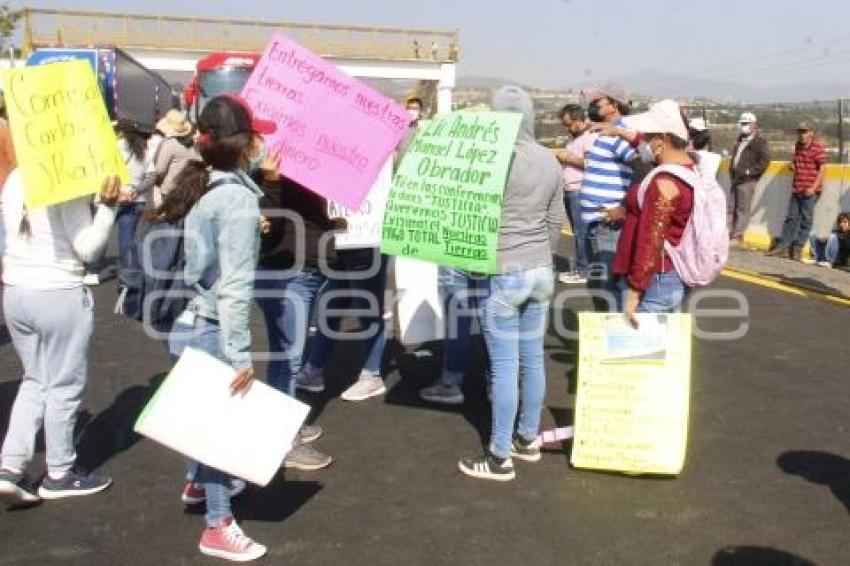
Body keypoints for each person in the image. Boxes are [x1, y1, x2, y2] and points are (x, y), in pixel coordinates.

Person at [163, 95, 274, 561]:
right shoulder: (237, 200)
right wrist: (241, 357)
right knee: (218, 431)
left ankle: (197, 485)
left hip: (188, 323)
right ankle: (217, 523)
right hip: (209, 328)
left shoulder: (210, 185)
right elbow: (234, 289)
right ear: (246, 143)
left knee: (202, 425)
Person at [458, 86, 563, 481]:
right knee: (532, 360)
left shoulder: (494, 160)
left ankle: (499, 456)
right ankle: (526, 438)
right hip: (541, 269)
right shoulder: (550, 160)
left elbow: (476, 220)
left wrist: (476, 267)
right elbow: (556, 222)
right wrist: (543, 255)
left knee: (504, 367)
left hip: (505, 271)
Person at [0, 171, 120, 507]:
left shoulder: (14, 179)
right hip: (56, 291)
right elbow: (88, 248)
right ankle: (60, 472)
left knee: (35, 380)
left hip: (16, 290)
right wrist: (107, 208)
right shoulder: (63, 186)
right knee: (64, 386)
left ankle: (10, 465)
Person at [254, 171, 342, 471]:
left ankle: (284, 422)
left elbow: (298, 219)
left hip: (303, 272)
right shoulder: (271, 176)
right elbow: (269, 223)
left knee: (286, 357)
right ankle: (283, 439)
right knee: (287, 359)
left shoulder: (305, 172)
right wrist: (272, 181)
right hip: (290, 274)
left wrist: (329, 225)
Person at [610, 100, 695, 319]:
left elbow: (651, 240)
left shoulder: (664, 183)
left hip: (655, 282)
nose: (644, 141)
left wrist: (635, 292)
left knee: (638, 350)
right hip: (673, 275)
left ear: (662, 140)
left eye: (648, 137)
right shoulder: (689, 170)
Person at [299, 246, 389, 402]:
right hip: (340, 245)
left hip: (365, 244)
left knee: (368, 309)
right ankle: (313, 370)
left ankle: (371, 375)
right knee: (332, 306)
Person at [578, 84, 640, 310]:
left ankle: (617, 336)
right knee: (598, 284)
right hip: (595, 222)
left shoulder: (619, 133)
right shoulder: (606, 132)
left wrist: (622, 207)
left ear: (615, 106)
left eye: (599, 102)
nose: (593, 106)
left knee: (610, 284)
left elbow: (641, 168)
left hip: (609, 224)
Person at [418, 268, 488, 405]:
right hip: (489, 254)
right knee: (490, 315)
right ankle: (497, 381)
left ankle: (450, 383)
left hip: (454, 254)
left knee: (457, 320)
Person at [767, 122, 827, 261]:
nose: (802, 134)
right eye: (800, 131)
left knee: (806, 220)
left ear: (811, 132)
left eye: (805, 131)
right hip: (797, 188)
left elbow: (823, 169)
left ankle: (797, 248)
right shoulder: (798, 146)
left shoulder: (817, 147)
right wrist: (792, 165)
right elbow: (796, 161)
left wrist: (813, 188)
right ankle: (783, 247)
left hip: (810, 190)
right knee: (791, 219)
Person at [554, 104, 596, 284]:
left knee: (582, 233)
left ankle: (583, 271)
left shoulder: (589, 138)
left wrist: (568, 158)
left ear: (580, 120)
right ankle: (582, 268)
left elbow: (592, 164)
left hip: (580, 190)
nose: (567, 128)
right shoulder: (574, 139)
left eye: (570, 124)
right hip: (570, 190)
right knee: (578, 232)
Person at [114, 119, 155, 272]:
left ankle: (94, 270)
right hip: (137, 199)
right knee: (129, 235)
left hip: (115, 196)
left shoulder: (113, 148)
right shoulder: (144, 150)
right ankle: (130, 269)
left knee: (107, 234)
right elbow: (151, 176)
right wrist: (136, 190)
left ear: (119, 132)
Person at [729, 112, 770, 245]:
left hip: (747, 181)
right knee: (731, 208)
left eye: (746, 124)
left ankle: (738, 236)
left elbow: (765, 160)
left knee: (742, 209)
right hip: (736, 178)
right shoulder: (740, 139)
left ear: (754, 125)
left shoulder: (759, 142)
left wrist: (750, 172)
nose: (743, 126)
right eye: (742, 124)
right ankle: (729, 233)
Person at [154, 109, 199, 208]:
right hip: (190, 190)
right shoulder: (195, 145)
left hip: (171, 190)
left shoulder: (170, 144)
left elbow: (160, 170)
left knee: (171, 219)